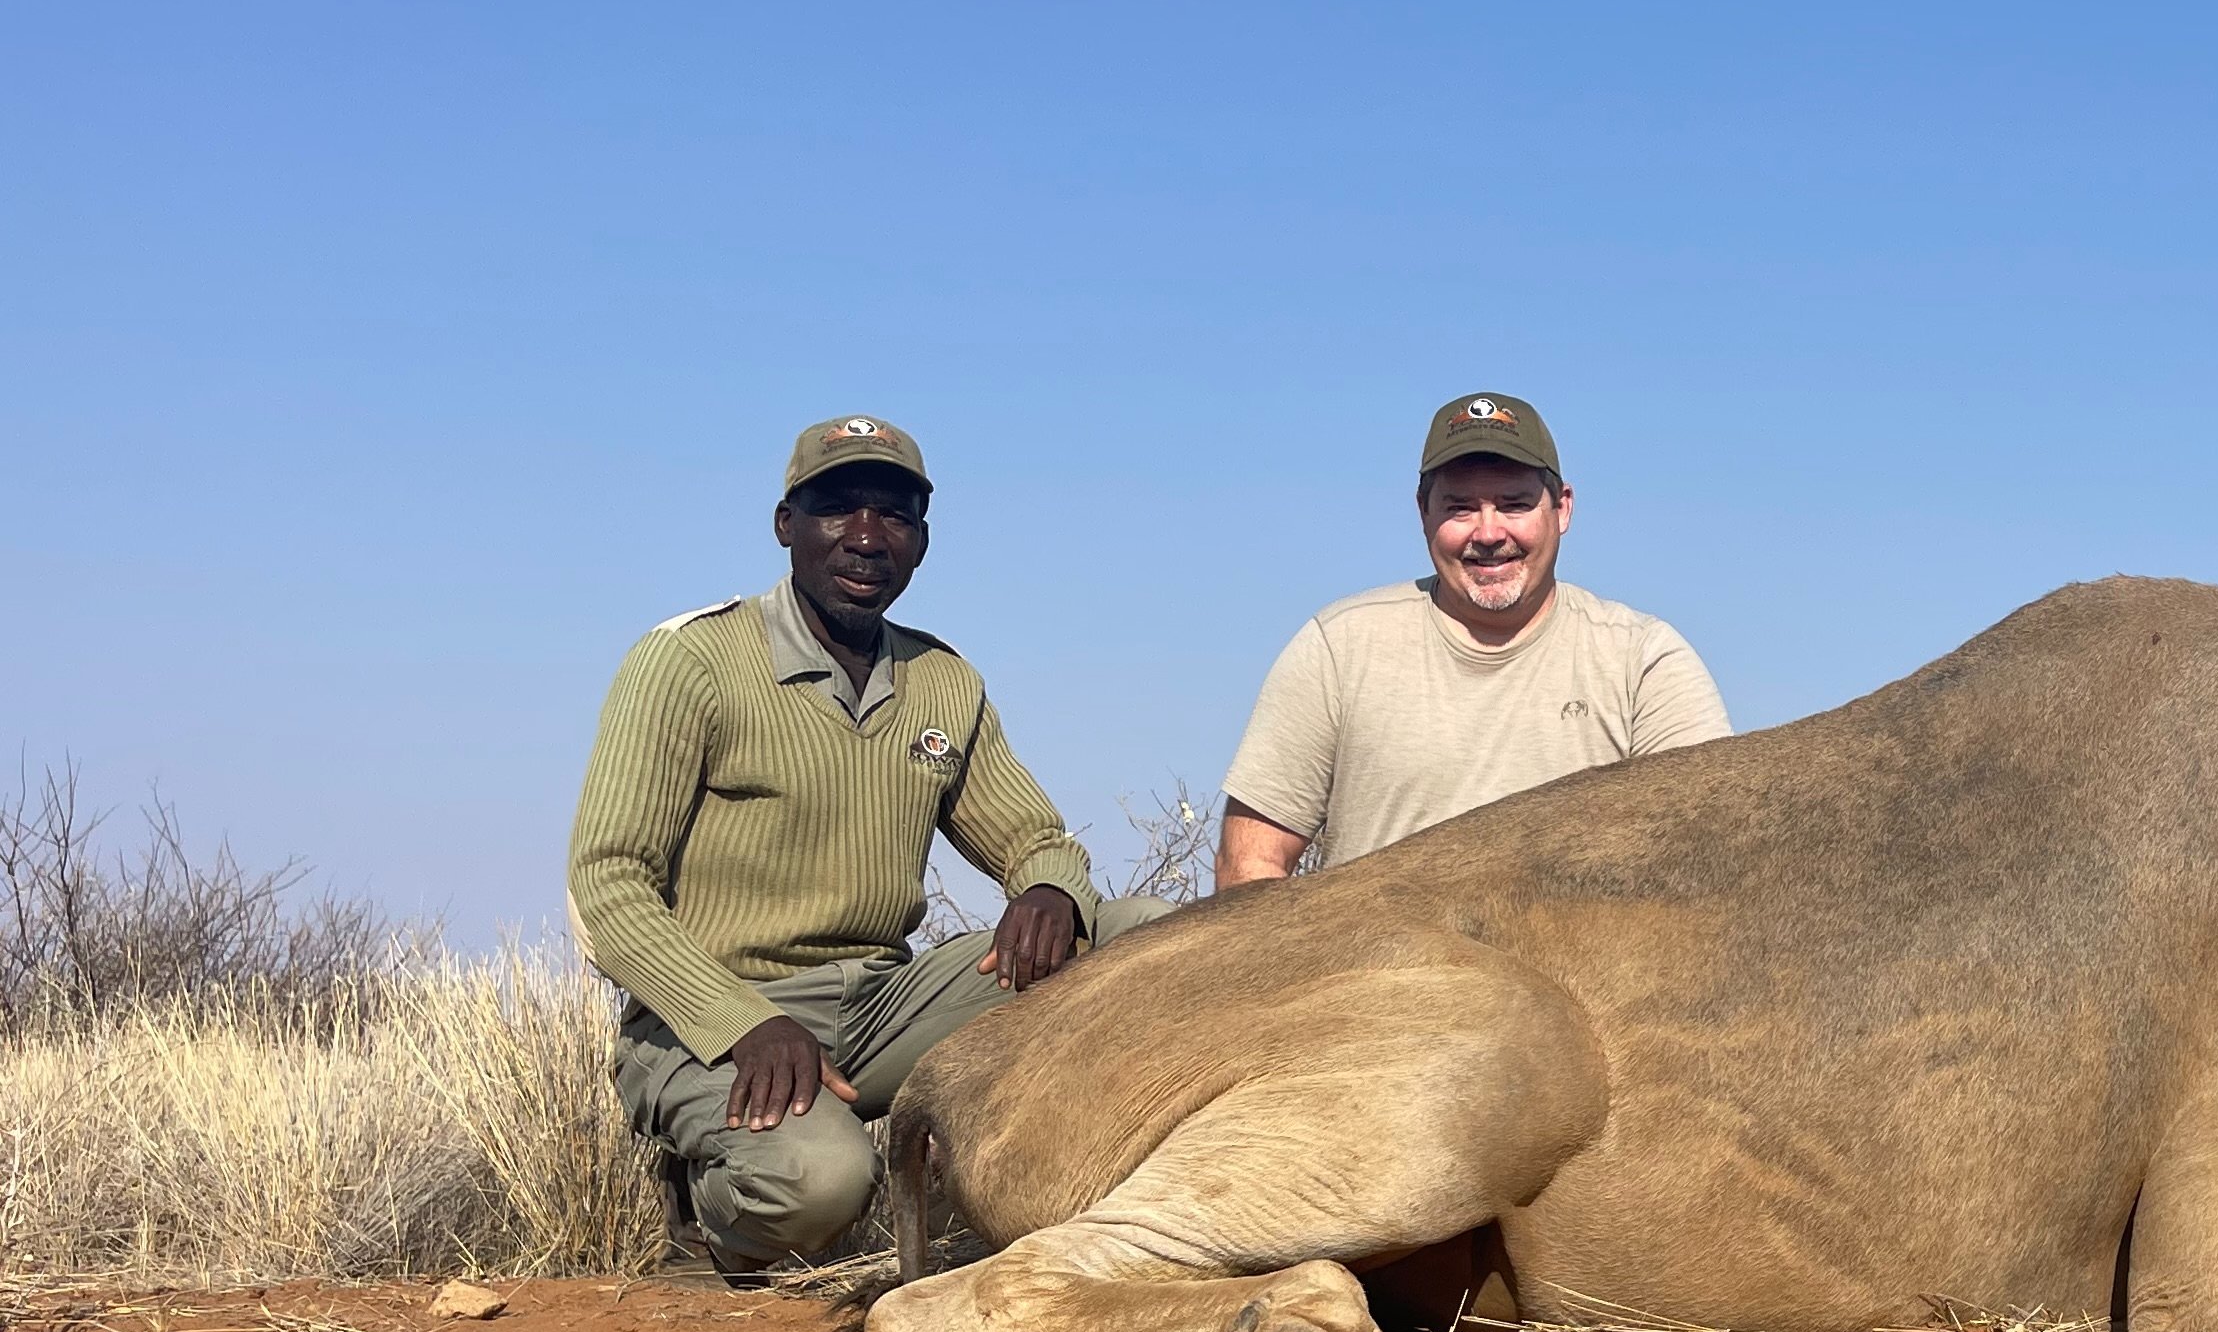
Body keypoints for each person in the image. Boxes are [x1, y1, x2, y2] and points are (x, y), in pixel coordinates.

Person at [567, 415, 1160, 1281]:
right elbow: (607, 887)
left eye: (895, 515)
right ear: (786, 525)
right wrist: (744, 1024)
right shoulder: (688, 660)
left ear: (922, 539)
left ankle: (1094, 1211)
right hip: (716, 1016)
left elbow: (1034, 836)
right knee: (821, 1182)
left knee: (1139, 935)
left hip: (882, 1007)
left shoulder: (943, 679)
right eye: (837, 508)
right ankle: (708, 1238)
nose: (867, 537)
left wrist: (1052, 892)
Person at [1213, 390, 1729, 883]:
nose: (1487, 533)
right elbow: (1250, 865)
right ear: (1423, 513)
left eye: (1514, 504)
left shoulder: (1645, 662)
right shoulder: (1339, 647)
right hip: (1379, 971)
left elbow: (1706, 858)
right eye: (1460, 507)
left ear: (1563, 509)